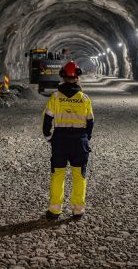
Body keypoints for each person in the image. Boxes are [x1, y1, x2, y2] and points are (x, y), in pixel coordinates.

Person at [42, 61, 94, 219]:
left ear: (63, 77)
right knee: (79, 176)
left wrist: (50, 138)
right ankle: (78, 210)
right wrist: (85, 139)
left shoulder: (55, 97)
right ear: (78, 77)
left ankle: (55, 210)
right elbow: (90, 123)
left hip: (60, 141)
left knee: (58, 175)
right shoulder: (84, 98)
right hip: (79, 142)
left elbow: (47, 122)